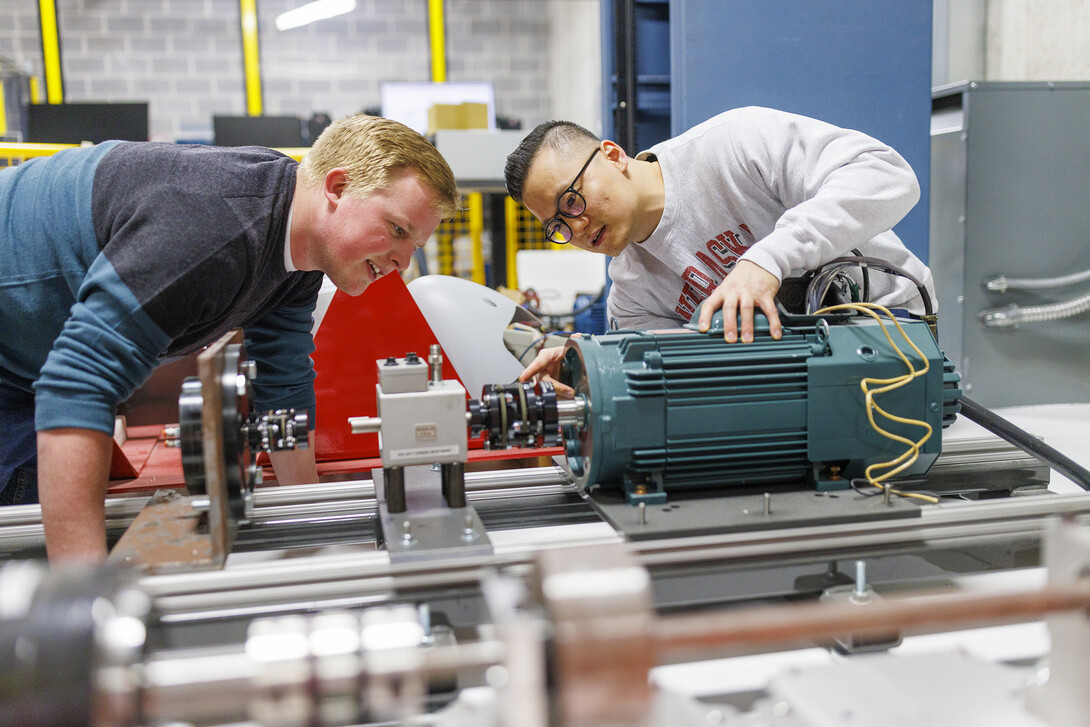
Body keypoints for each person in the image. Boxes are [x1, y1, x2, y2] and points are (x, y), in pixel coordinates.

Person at [0, 114, 459, 562]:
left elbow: (284, 389)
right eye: (397, 230)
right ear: (337, 188)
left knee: (25, 534)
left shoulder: (296, 247)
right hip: (18, 359)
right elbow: (77, 385)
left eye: (414, 246)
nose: (403, 262)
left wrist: (318, 536)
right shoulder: (211, 229)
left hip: (26, 366)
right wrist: (85, 602)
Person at [504, 106, 935, 392]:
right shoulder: (633, 293)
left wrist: (766, 261)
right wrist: (590, 364)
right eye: (558, 225)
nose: (576, 227)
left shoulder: (733, 146)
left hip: (895, 343)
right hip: (796, 396)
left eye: (572, 201)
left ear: (613, 155)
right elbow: (674, 377)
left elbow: (888, 175)